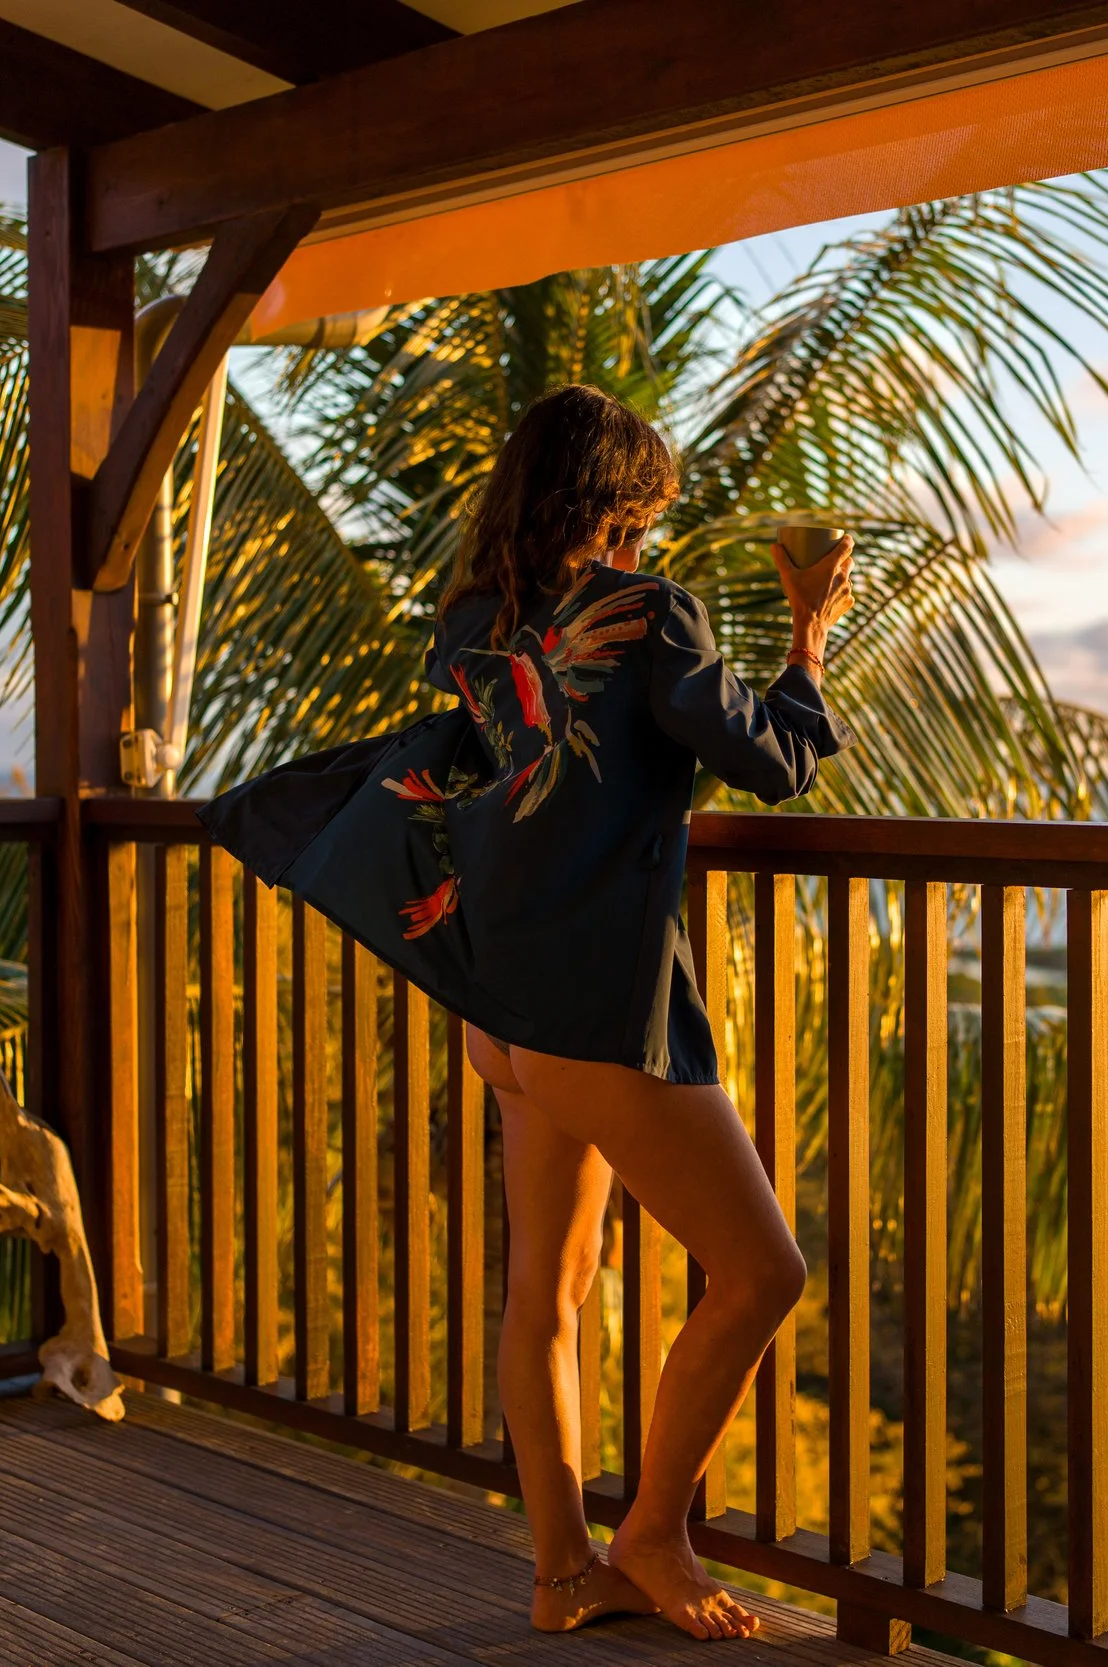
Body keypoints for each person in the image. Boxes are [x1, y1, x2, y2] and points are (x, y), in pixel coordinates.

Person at [203, 383, 854, 1640]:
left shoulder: (473, 615)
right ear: (615, 505)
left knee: (546, 1285)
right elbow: (769, 761)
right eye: (646, 514)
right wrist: (807, 636)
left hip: (494, 997)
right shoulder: (645, 612)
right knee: (762, 1271)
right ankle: (654, 1533)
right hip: (590, 998)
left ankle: (565, 1573)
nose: (652, 540)